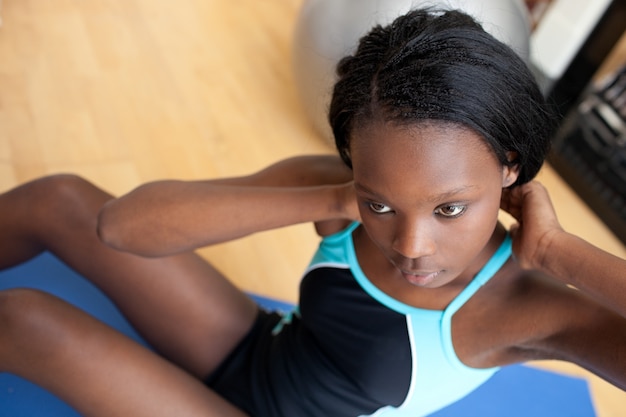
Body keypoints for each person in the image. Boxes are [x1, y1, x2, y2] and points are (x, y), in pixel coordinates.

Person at [0, 8, 624, 417]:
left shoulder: (526, 308)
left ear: (510, 167)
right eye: (382, 202)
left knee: (23, 319)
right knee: (61, 199)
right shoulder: (339, 191)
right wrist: (336, 198)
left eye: (450, 208)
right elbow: (121, 227)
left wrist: (557, 252)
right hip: (260, 351)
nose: (411, 244)